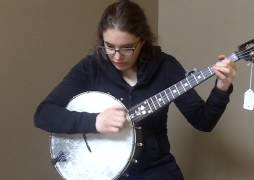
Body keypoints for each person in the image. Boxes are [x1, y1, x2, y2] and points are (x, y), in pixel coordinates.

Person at [34, 0, 237, 179]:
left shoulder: (165, 67)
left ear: (142, 40)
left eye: (127, 47)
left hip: (156, 171)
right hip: (104, 173)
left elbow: (203, 122)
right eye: (109, 46)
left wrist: (222, 88)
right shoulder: (91, 67)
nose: (117, 56)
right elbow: (44, 114)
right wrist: (95, 121)